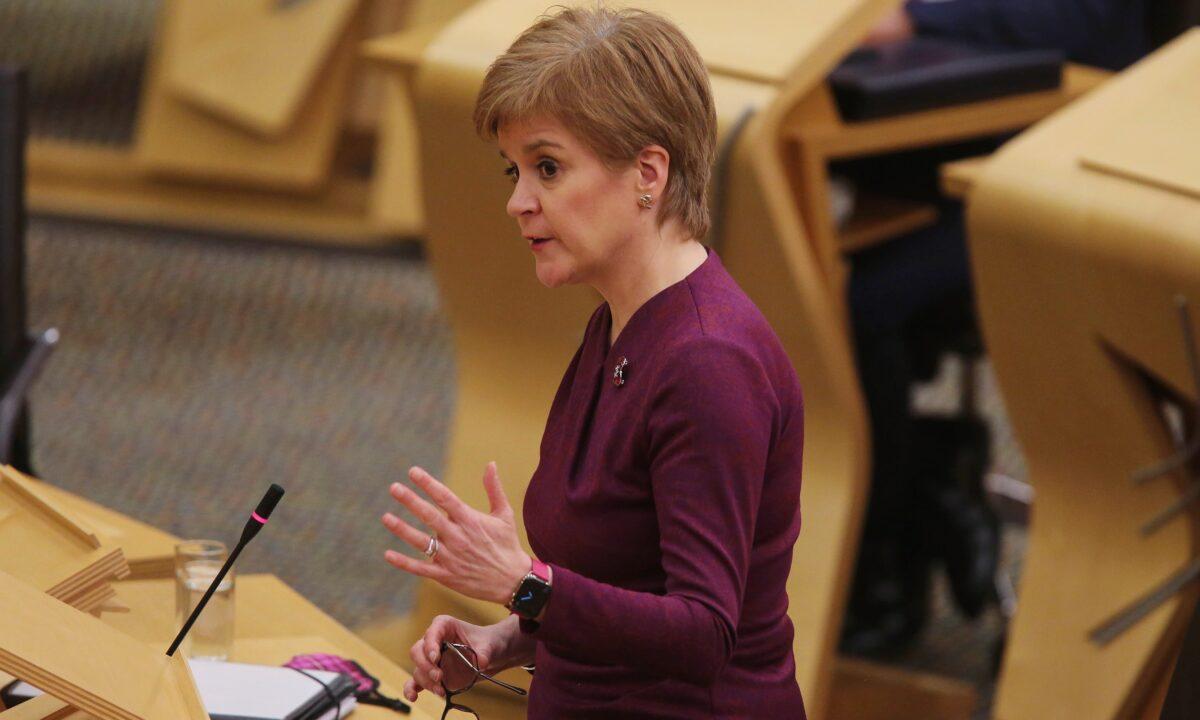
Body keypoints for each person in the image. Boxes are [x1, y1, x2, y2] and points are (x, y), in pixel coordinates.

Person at [379, 6, 808, 718]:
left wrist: (524, 583)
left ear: (648, 172)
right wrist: (506, 639)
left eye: (548, 167)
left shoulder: (709, 363)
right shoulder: (617, 324)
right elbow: (626, 586)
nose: (518, 202)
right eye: (514, 171)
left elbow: (703, 633)